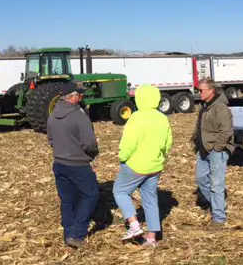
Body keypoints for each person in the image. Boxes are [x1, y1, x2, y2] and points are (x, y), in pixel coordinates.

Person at [112, 84, 173, 247]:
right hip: (155, 166)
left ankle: (134, 225)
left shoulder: (137, 117)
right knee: (150, 200)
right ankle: (152, 238)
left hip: (136, 165)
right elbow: (168, 143)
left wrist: (122, 158)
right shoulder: (162, 118)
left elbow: (128, 143)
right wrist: (161, 156)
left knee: (119, 191)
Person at [47, 82, 100, 249]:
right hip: (78, 164)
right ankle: (76, 233)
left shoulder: (53, 114)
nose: (82, 96)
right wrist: (91, 154)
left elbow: (51, 139)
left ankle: (68, 230)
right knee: (91, 194)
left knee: (67, 198)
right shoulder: (79, 115)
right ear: (72, 96)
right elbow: (89, 143)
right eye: (80, 94)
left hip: (59, 163)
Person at [193, 78, 235, 228]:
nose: (199, 93)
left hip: (217, 150)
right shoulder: (206, 106)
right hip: (204, 149)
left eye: (201, 90)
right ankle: (218, 203)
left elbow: (226, 131)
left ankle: (218, 218)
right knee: (201, 179)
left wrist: (217, 148)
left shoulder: (220, 108)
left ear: (211, 91)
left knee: (217, 184)